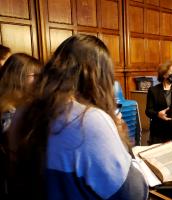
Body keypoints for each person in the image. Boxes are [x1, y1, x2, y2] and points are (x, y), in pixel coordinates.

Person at [6, 35, 148, 199]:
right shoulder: (89, 119)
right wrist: (119, 138)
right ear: (99, 78)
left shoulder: (21, 113)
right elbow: (132, 193)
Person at [0, 53, 41, 198]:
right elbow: (17, 153)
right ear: (17, 77)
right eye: (34, 76)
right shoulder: (9, 111)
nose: (39, 80)